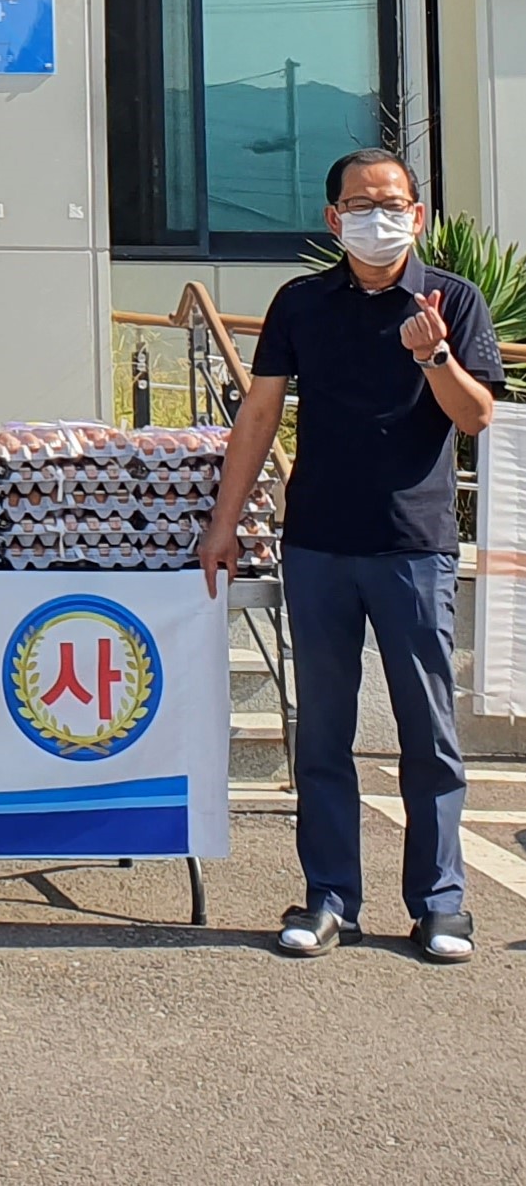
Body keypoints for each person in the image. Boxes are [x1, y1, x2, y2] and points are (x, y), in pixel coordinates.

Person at [200, 150, 502, 967]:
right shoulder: (302, 301)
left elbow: (475, 417)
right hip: (318, 542)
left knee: (427, 732)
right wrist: (223, 524)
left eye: (392, 203)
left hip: (413, 546)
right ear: (333, 219)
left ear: (417, 214)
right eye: (360, 206)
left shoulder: (452, 300)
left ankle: (439, 905)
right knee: (323, 734)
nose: (378, 218)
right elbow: (258, 416)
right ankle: (330, 897)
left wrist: (433, 356)